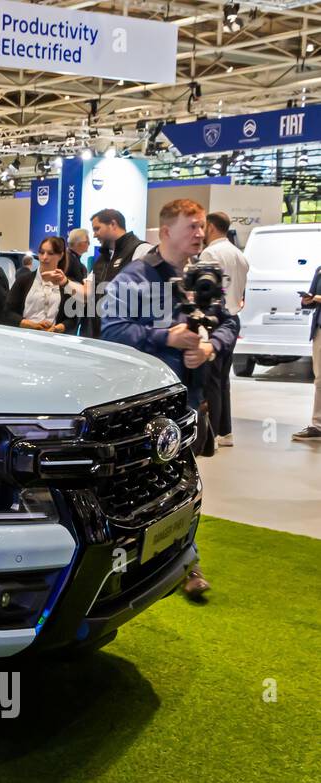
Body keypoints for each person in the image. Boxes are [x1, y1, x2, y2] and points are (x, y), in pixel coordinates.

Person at [101, 198, 239, 600]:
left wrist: (211, 346)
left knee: (185, 483)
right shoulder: (135, 279)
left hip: (191, 399)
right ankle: (141, 561)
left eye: (201, 226)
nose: (201, 232)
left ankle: (183, 560)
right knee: (142, 489)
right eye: (192, 226)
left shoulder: (206, 275)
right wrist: (166, 337)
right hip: (145, 407)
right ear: (165, 232)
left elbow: (230, 323)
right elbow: (111, 333)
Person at [198, 211, 249, 447]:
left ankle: (214, 433)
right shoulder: (240, 255)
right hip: (233, 319)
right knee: (223, 379)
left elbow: (204, 291)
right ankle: (226, 431)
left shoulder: (210, 253)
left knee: (211, 380)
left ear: (210, 227)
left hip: (215, 320)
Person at [4, 236, 84, 332]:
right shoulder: (23, 280)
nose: (44, 257)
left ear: (60, 255)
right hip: (25, 337)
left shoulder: (67, 284)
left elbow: (73, 318)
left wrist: (57, 328)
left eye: (50, 253)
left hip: (54, 339)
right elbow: (8, 312)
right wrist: (32, 325)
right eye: (41, 253)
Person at [88, 209, 147, 338]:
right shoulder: (102, 259)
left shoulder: (141, 250)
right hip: (101, 338)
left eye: (97, 228)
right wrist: (65, 282)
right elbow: (88, 293)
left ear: (113, 224)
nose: (94, 235)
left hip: (128, 340)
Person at [293, 264, 321, 442]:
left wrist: (318, 298)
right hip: (319, 330)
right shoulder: (319, 270)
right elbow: (311, 301)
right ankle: (318, 425)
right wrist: (307, 301)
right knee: (320, 378)